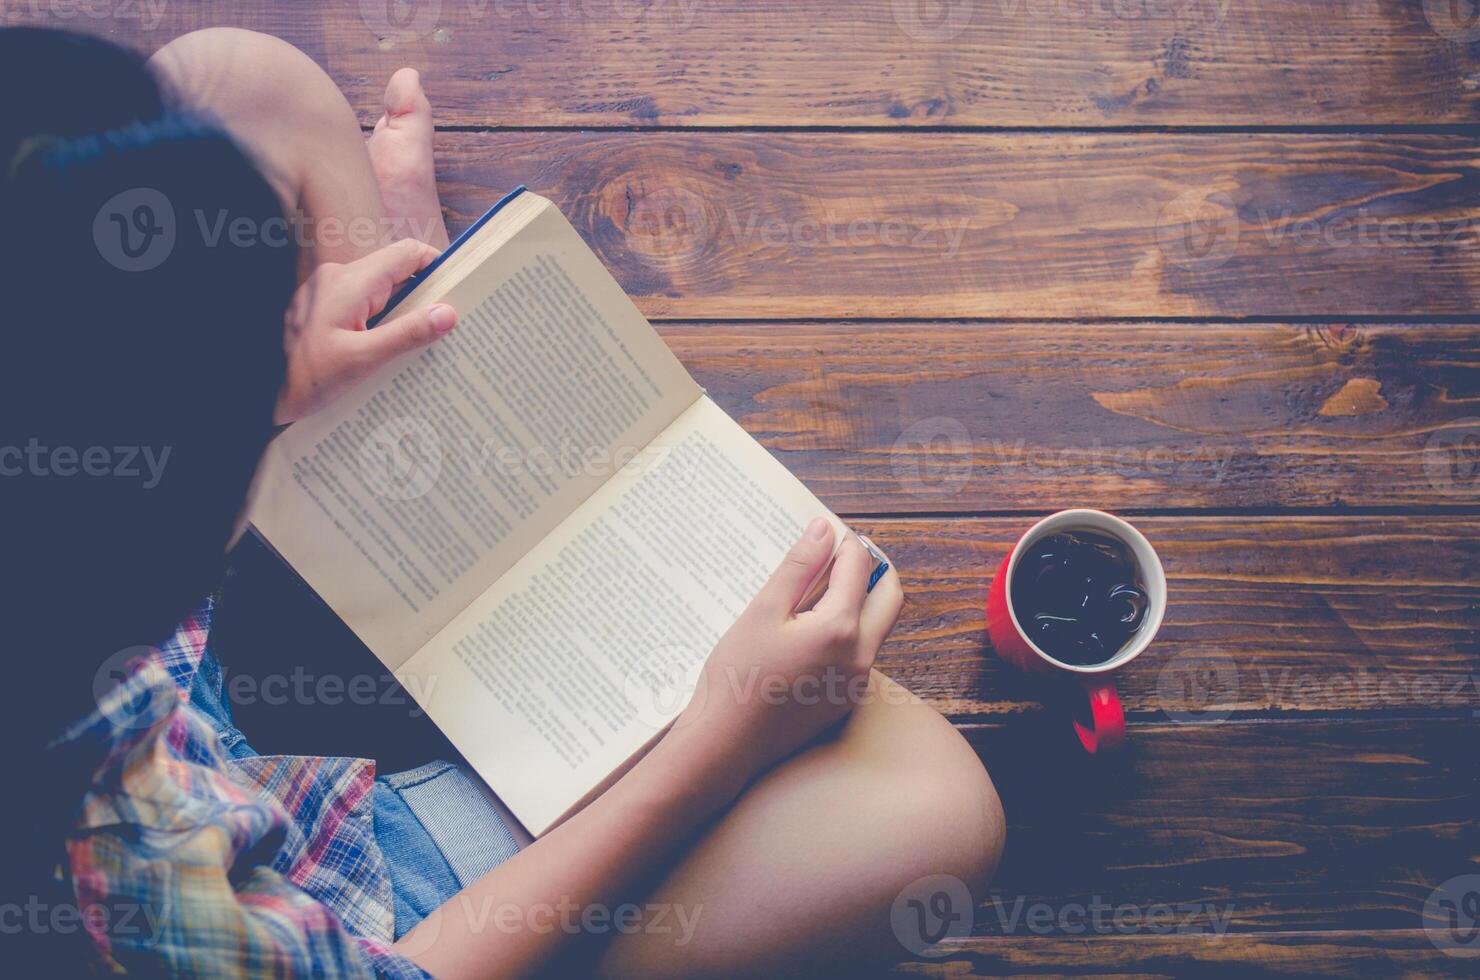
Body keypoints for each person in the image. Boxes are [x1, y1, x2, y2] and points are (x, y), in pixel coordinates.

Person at [1, 26, 1004, 977]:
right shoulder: (122, 874)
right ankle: (568, 941)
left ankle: (432, 329)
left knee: (237, 79)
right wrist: (716, 742)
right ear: (161, 546)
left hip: (198, 725)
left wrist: (280, 386)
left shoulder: (63, 566)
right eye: (239, 434)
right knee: (940, 813)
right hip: (351, 904)